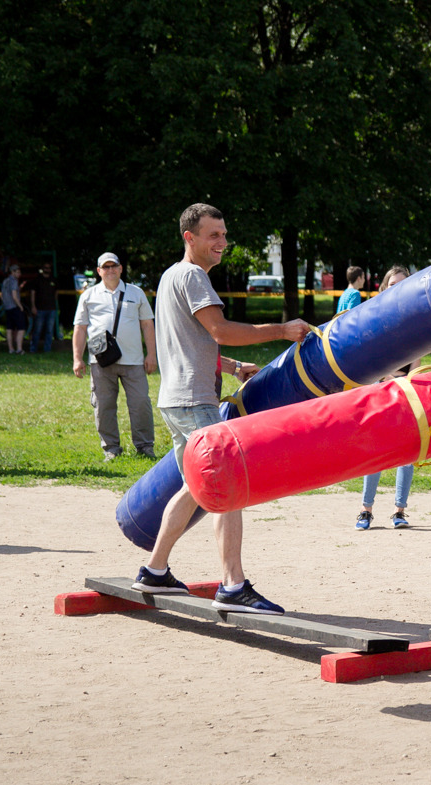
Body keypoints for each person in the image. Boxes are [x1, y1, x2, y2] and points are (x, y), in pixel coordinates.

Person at [132, 203, 311, 615]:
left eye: (225, 235)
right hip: (194, 401)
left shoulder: (171, 276)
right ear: (189, 238)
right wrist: (281, 330)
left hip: (176, 399)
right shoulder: (193, 275)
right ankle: (233, 584)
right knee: (227, 486)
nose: (223, 243)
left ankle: (155, 570)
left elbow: (186, 339)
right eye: (213, 235)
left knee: (196, 488)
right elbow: (220, 330)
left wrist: (229, 367)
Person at [72, 252, 157, 461]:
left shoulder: (136, 293)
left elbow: (147, 325)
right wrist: (77, 358)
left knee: (140, 404)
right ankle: (111, 449)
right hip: (100, 362)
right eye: (105, 267)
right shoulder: (88, 296)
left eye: (114, 266)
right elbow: (80, 328)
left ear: (120, 269)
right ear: (99, 271)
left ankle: (145, 447)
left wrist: (152, 355)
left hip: (134, 360)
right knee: (103, 406)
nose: (110, 270)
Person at [355, 267, 418, 531]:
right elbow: (369, 355)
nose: (397, 287)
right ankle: (365, 510)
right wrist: (387, 377)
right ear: (384, 286)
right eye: (392, 283)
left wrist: (408, 381)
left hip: (405, 390)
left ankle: (399, 511)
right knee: (375, 451)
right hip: (380, 388)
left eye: (402, 283)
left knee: (406, 452)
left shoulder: (415, 318)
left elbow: (418, 354)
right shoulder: (375, 316)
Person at [27, 263, 58, 353]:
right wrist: (33, 306)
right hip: (39, 309)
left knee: (49, 331)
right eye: (45, 267)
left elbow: (56, 293)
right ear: (42, 268)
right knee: (37, 330)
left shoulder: (54, 280)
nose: (47, 269)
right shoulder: (37, 280)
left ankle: (47, 350)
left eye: (49, 268)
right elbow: (33, 293)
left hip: (51, 308)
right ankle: (33, 349)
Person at [1, 265, 27, 354]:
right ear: (13, 272)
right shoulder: (14, 281)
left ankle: (11, 349)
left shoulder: (5, 281)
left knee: (9, 329)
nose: (19, 274)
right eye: (18, 272)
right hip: (14, 307)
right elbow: (14, 296)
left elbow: (2, 295)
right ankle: (19, 348)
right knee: (21, 328)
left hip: (7, 307)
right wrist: (21, 306)